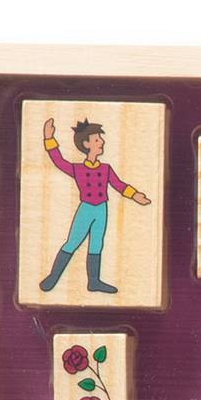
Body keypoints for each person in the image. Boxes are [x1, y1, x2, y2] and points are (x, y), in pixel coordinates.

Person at [37, 117, 151, 294]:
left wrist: (135, 195)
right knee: (72, 242)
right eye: (97, 139)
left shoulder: (106, 168)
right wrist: (49, 138)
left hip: (101, 209)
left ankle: (94, 281)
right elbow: (59, 162)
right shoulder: (78, 169)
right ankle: (53, 277)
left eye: (100, 139)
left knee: (96, 244)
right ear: (86, 144)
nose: (102, 142)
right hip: (86, 209)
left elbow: (118, 185)